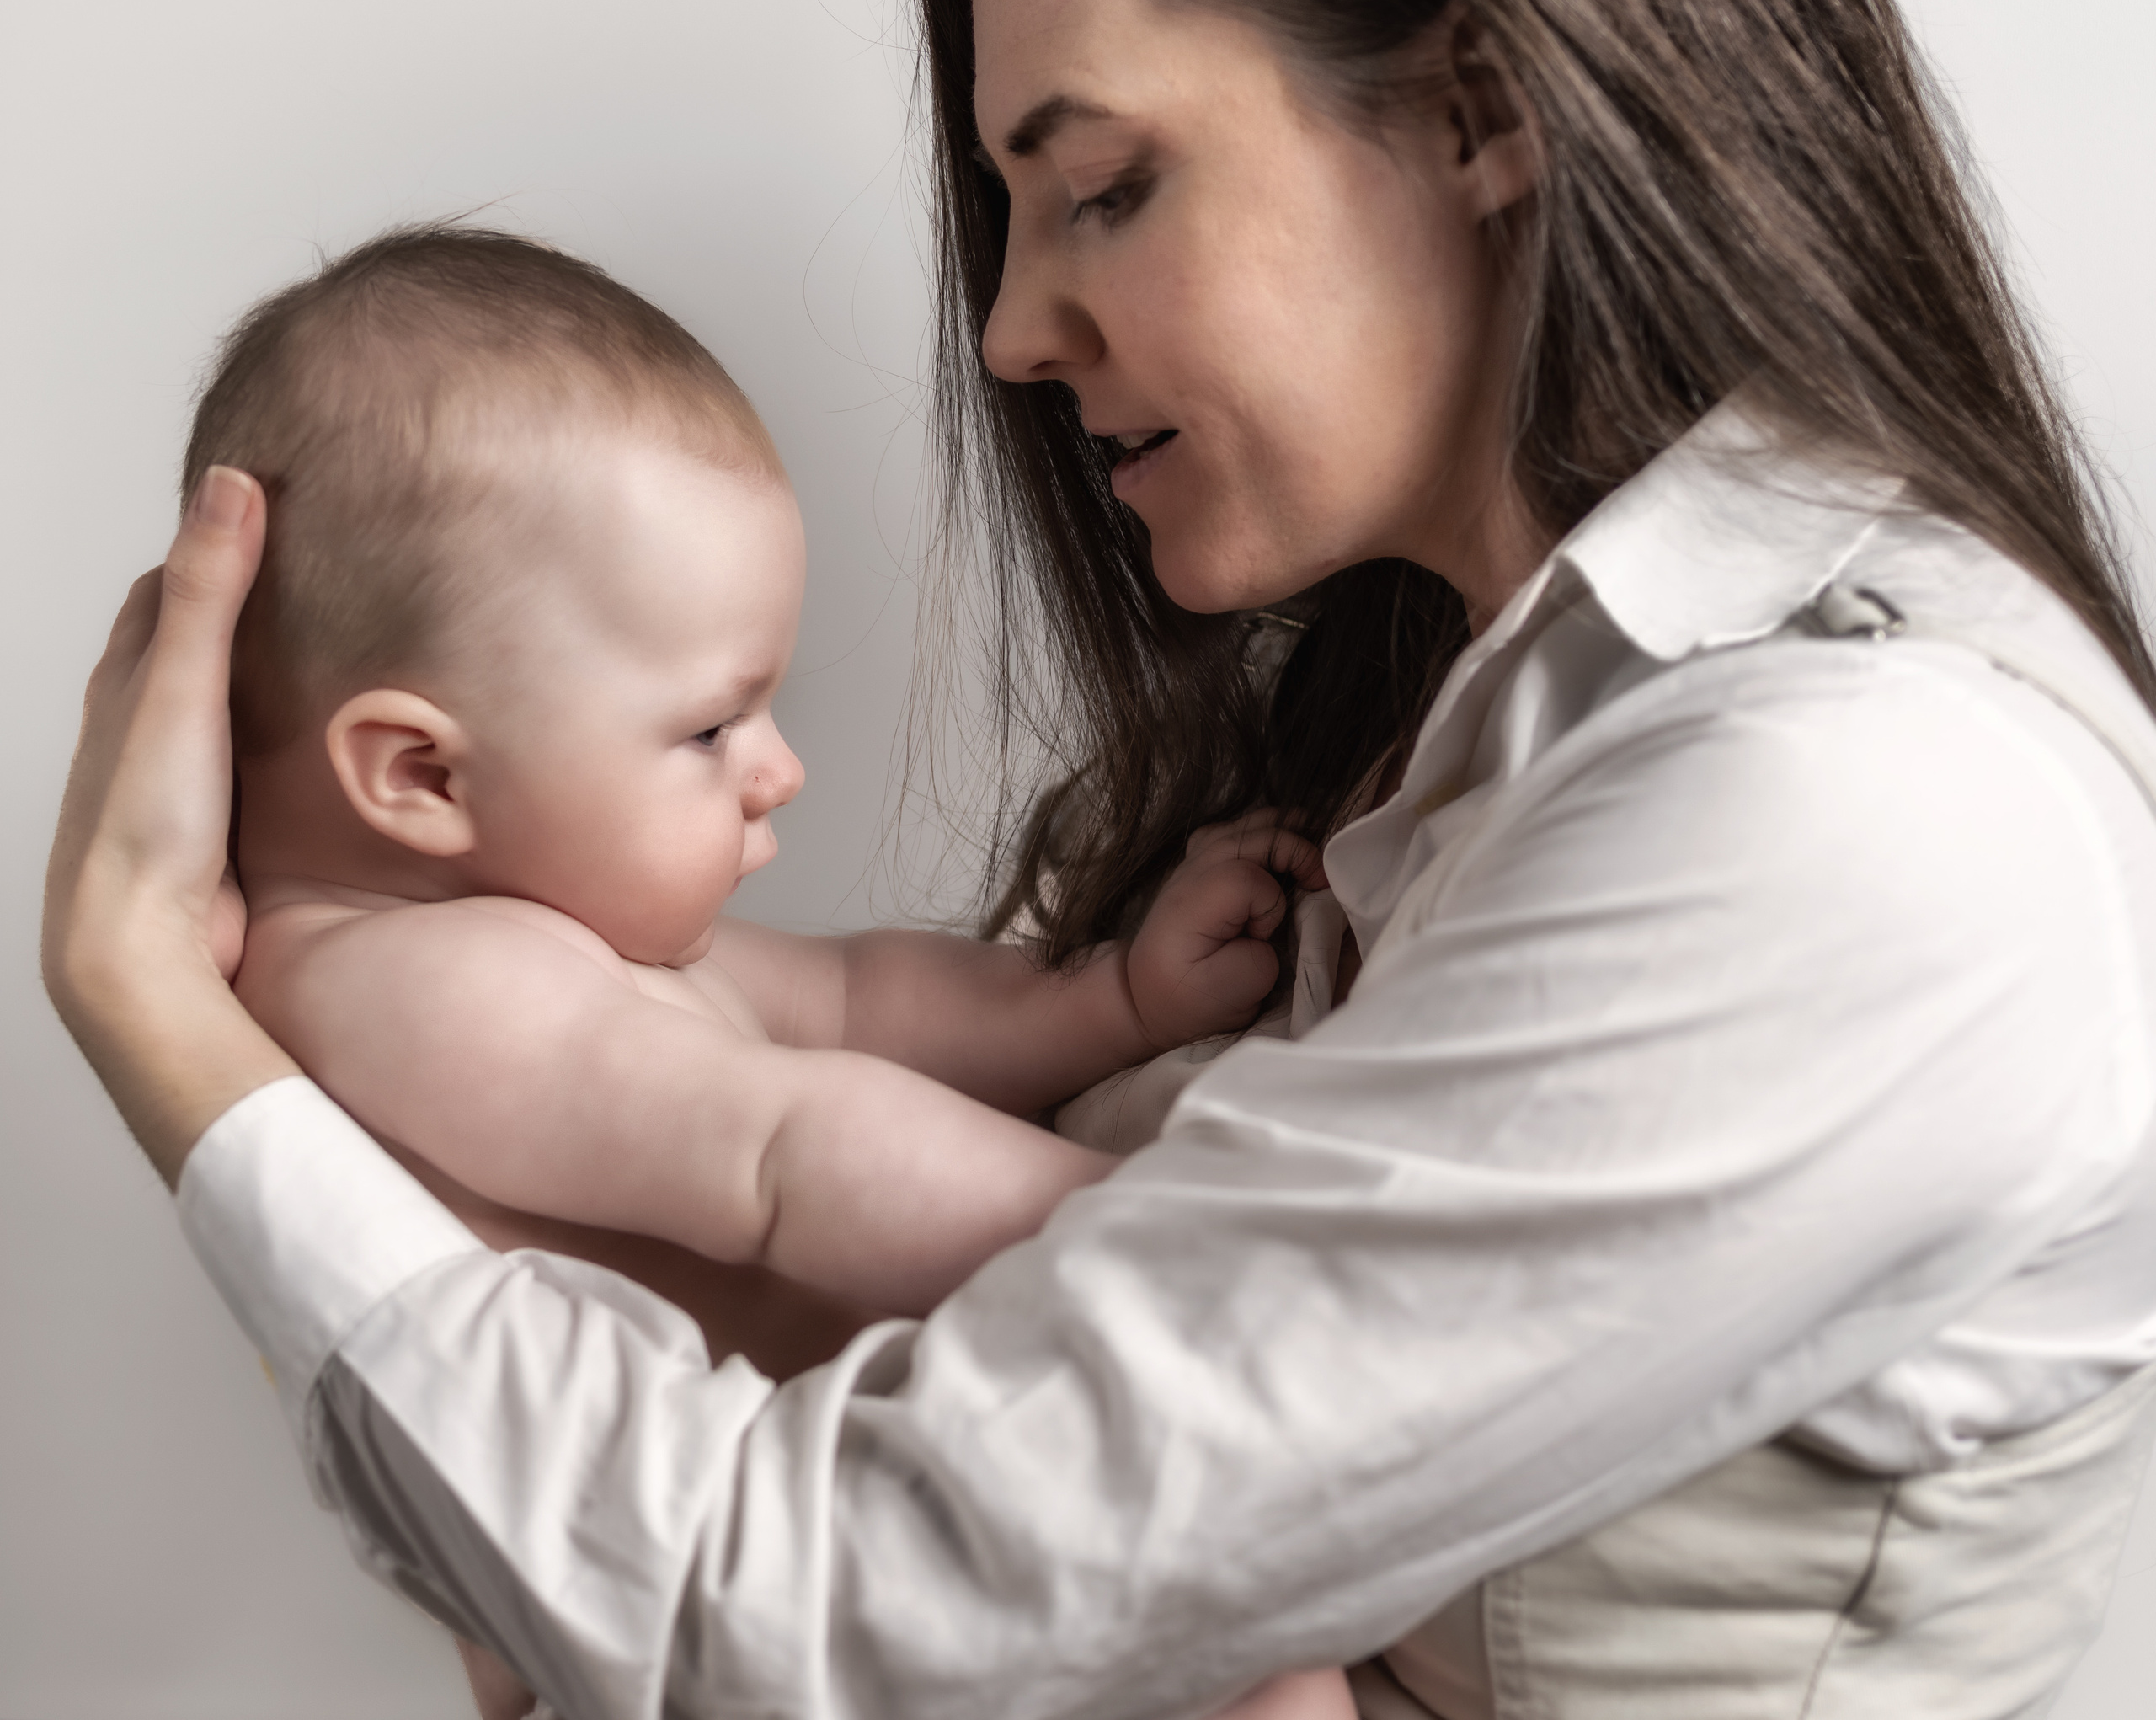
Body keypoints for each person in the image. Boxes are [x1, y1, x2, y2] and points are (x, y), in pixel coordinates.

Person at [42, 0, 2156, 1717]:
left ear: (1475, 109)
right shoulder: (1468, 731)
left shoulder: (1869, 817)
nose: (1007, 331)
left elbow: (805, 1613)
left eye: (1105, 186)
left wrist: (164, 1022)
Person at [190, 225, 1345, 1720]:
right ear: (421, 775)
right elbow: (785, 1153)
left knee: (1254, 1632)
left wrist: (1108, 1002)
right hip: (745, 1618)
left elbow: (859, 1007)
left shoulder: (549, 933)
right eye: (709, 729)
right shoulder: (404, 991)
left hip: (831, 1558)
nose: (778, 769)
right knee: (1246, 1641)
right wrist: (1146, 1233)